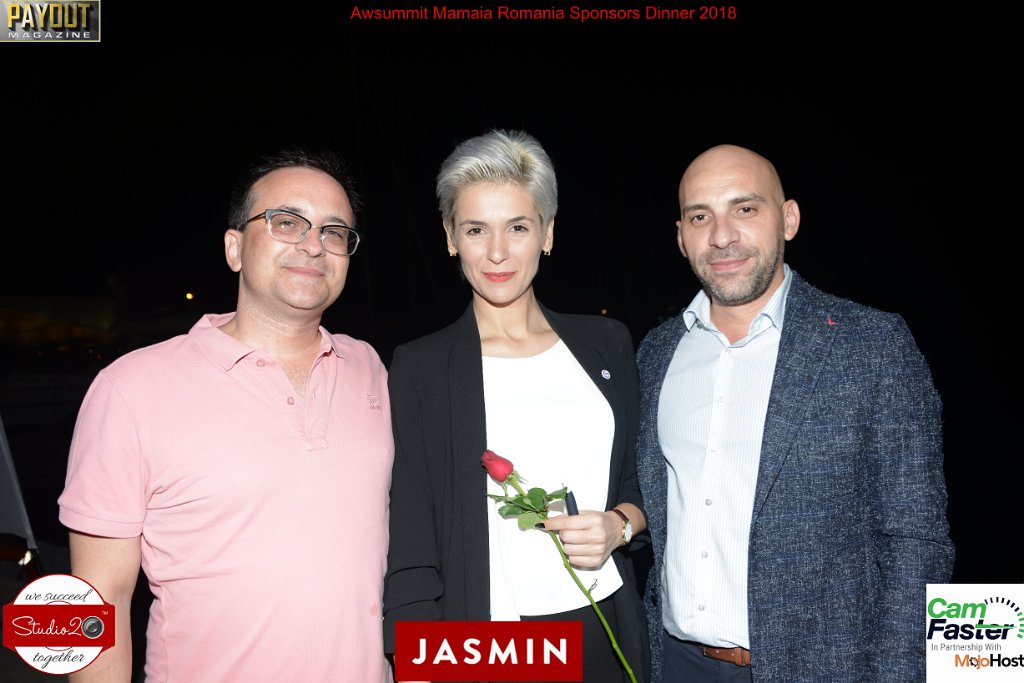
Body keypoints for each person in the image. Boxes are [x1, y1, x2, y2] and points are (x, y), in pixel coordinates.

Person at [58, 147, 394, 682]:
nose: (313, 244)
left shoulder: (369, 369)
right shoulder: (130, 388)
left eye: (334, 232)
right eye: (287, 222)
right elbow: (93, 600)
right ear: (234, 247)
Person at [635, 144, 954, 682]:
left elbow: (917, 544)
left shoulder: (872, 345)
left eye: (745, 208)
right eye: (700, 217)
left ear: (788, 219)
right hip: (673, 663)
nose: (722, 236)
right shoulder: (656, 353)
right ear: (681, 237)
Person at [382, 129, 650, 682]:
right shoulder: (420, 368)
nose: (497, 252)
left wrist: (620, 526)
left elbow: (638, 481)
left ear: (548, 233)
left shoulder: (607, 344)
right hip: (492, 646)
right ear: (450, 238)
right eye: (476, 229)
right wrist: (415, 666)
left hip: (605, 626)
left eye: (518, 227)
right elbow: (411, 539)